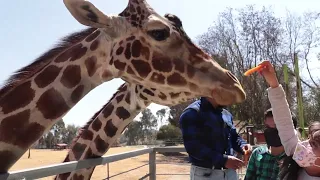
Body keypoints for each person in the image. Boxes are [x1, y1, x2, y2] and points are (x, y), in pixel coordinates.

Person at [258, 60, 320, 180]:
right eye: (309, 139)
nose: (304, 144)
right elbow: (283, 119)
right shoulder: (296, 153)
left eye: (314, 144)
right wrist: (273, 83)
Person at [179, 97, 252, 180]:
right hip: (206, 174)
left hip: (230, 173)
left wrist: (243, 145)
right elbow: (193, 148)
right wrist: (223, 160)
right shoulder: (192, 113)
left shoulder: (226, 114)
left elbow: (234, 137)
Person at [244, 108, 298, 180]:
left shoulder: (297, 158)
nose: (270, 132)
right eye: (267, 127)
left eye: (276, 128)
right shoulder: (257, 153)